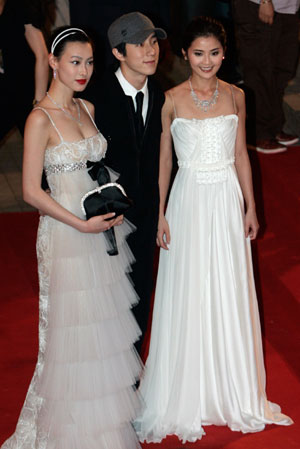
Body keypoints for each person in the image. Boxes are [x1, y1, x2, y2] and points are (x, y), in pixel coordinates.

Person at [134, 16, 293, 443]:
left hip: (225, 199)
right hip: (187, 201)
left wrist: (250, 205)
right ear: (185, 54)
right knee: (188, 286)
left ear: (226, 53)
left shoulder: (238, 95)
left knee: (227, 284)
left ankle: (230, 386)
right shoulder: (169, 99)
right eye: (199, 53)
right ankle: (186, 387)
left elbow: (241, 154)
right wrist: (162, 211)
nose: (208, 61)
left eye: (216, 53)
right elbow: (164, 161)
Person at [1, 26, 141, 449]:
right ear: (53, 63)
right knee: (71, 332)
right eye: (74, 61)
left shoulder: (88, 108)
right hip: (65, 237)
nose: (83, 70)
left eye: (90, 61)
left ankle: (102, 426)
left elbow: (96, 170)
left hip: (99, 232)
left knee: (102, 326)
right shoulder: (39, 118)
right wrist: (79, 224)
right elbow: (30, 190)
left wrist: (110, 204)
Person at [86, 12, 167, 355]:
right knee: (105, 302)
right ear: (119, 53)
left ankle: (131, 383)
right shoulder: (95, 98)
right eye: (139, 44)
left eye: (153, 42)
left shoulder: (163, 95)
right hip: (106, 219)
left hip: (148, 215)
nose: (151, 51)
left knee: (141, 297)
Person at [233, 0, 299, 154]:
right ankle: (258, 133)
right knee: (259, 70)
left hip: (288, 8)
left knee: (282, 70)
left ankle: (273, 128)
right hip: (258, 6)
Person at [0, 0, 49, 139]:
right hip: (7, 85)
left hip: (28, 89)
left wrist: (39, 104)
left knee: (40, 146)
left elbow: (43, 57)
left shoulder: (23, 7)